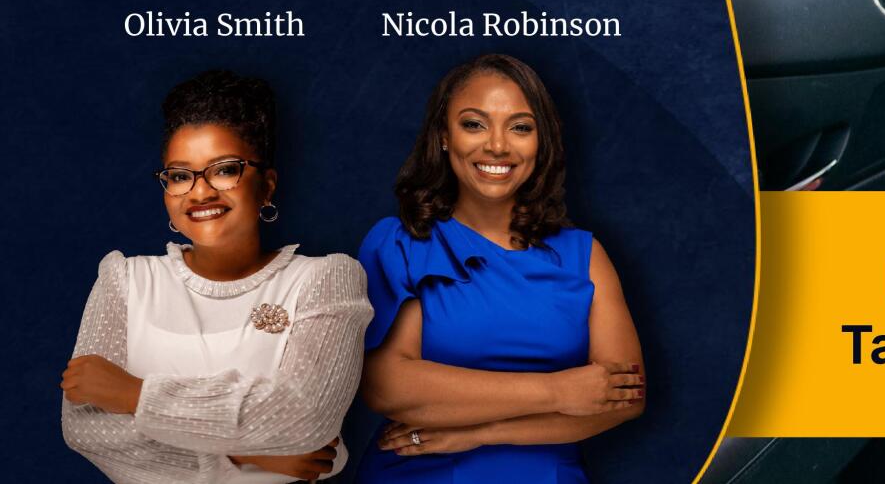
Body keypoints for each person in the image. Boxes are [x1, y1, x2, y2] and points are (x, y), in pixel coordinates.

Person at [61, 70, 372, 482]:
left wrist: (134, 395)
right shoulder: (124, 280)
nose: (200, 191)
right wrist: (239, 457)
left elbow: (304, 419)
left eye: (225, 170)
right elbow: (87, 431)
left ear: (267, 187)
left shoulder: (326, 279)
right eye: (179, 175)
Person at [357, 53, 646, 482]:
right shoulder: (402, 244)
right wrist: (558, 391)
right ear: (442, 135)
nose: (497, 145)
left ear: (541, 141)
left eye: (521, 127)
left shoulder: (583, 255)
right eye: (474, 124)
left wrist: (484, 432)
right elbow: (387, 386)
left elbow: (625, 398)